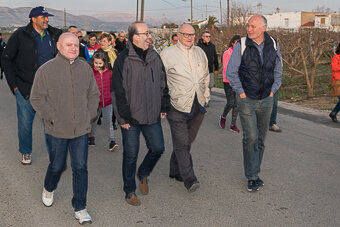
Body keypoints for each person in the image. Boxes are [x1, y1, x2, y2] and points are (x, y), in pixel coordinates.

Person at [30, 33, 100, 225]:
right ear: (59, 47)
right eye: (68, 45)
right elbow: (36, 98)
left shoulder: (85, 68)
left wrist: (89, 113)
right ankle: (48, 187)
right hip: (57, 130)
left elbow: (94, 94)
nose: (73, 48)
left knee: (80, 167)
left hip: (81, 130)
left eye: (76, 45)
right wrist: (53, 116)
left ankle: (80, 207)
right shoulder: (46, 70)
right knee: (57, 165)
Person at [111, 21, 170, 206]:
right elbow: (117, 91)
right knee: (130, 155)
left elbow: (163, 82)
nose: (149, 36)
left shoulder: (154, 55)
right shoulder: (123, 59)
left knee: (158, 148)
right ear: (135, 37)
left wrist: (164, 105)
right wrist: (123, 117)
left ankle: (143, 173)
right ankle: (129, 191)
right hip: (131, 117)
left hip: (152, 114)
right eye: (146, 33)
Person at [226, 15, 282, 192]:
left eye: (253, 26)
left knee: (261, 138)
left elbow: (278, 69)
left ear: (263, 28)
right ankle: (251, 176)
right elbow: (231, 72)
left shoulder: (273, 43)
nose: (249, 29)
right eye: (248, 26)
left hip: (267, 98)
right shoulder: (241, 45)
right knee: (250, 137)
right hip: (247, 100)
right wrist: (241, 93)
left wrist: (273, 90)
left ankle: (256, 172)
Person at [1, 6, 62, 165]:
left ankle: (54, 156)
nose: (47, 20)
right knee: (25, 125)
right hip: (25, 88)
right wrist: (14, 86)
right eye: (43, 17)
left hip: (50, 90)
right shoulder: (20, 35)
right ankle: (26, 152)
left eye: (47, 17)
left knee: (51, 124)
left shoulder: (55, 35)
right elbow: (6, 59)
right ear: (33, 19)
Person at [160, 23, 210, 192]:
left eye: (192, 35)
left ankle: (174, 170)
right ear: (179, 35)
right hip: (176, 106)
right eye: (186, 34)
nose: (189, 37)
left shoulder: (200, 52)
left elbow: (205, 77)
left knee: (187, 141)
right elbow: (161, 81)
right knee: (182, 143)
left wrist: (207, 96)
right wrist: (163, 104)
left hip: (198, 105)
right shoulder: (167, 54)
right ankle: (189, 178)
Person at [89, 51, 119, 150]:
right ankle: (91, 136)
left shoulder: (109, 73)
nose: (98, 65)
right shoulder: (90, 72)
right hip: (94, 102)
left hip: (107, 101)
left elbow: (113, 85)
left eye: (100, 63)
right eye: (96, 63)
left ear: (104, 63)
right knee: (93, 120)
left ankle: (112, 141)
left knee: (108, 121)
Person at [220, 35, 241, 133]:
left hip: (238, 82)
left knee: (236, 104)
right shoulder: (227, 53)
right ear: (232, 43)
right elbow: (226, 67)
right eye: (236, 43)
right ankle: (223, 116)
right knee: (230, 102)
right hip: (228, 81)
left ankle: (233, 124)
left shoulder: (241, 54)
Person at [197, 30, 219, 106]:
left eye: (209, 36)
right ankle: (204, 100)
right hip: (201, 70)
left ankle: (207, 98)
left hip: (210, 69)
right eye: (206, 36)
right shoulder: (198, 47)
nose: (208, 38)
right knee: (203, 85)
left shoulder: (212, 46)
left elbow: (215, 57)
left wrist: (216, 68)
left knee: (210, 85)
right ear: (202, 37)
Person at [329, 43, 340, 123]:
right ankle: (333, 113)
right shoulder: (336, 57)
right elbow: (333, 67)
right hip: (337, 82)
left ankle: (333, 113)